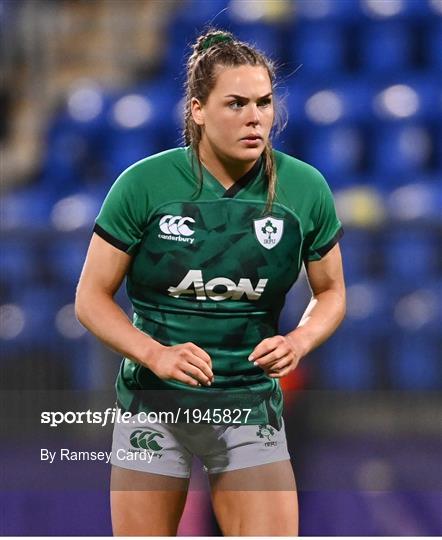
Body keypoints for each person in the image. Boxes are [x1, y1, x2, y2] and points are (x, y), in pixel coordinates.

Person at [75, 28, 346, 536]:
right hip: (154, 405)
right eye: (236, 103)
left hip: (249, 403)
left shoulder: (305, 189)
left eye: (264, 102)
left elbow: (331, 291)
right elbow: (90, 298)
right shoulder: (142, 186)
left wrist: (301, 339)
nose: (255, 117)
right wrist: (155, 354)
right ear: (197, 109)